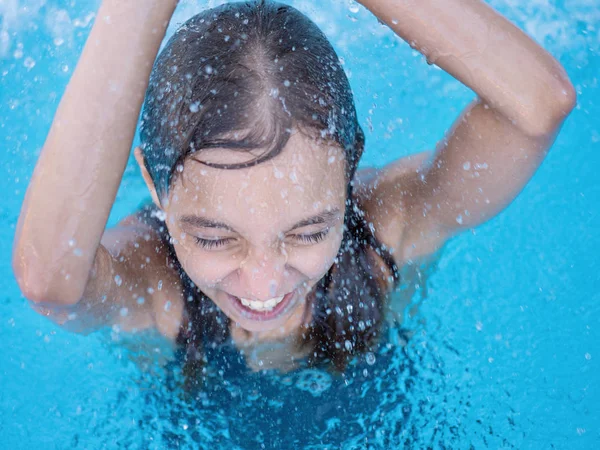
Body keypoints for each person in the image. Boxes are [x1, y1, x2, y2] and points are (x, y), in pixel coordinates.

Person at [12, 0, 575, 376]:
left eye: (309, 231)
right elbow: (50, 280)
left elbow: (535, 108)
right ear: (156, 190)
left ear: (350, 168)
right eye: (213, 239)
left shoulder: (392, 226)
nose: (265, 285)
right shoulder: (152, 286)